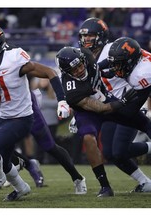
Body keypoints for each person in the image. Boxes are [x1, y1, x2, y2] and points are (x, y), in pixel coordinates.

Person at [0, 18, 87, 193]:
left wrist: (62, 100)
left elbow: (49, 72)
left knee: (48, 146)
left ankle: (77, 177)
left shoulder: (13, 58)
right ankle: (21, 186)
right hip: (2, 112)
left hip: (25, 110)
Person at [56, 46, 143, 197]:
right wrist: (123, 100)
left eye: (80, 65)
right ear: (66, 72)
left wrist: (106, 71)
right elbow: (102, 109)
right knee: (88, 138)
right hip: (89, 112)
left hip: (106, 98)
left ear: (83, 60)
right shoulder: (71, 90)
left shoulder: (87, 56)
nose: (79, 70)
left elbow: (99, 65)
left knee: (142, 121)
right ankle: (105, 186)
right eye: (74, 69)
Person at [78, 17, 151, 192]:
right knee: (110, 154)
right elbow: (101, 69)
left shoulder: (115, 48)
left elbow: (135, 58)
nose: (87, 40)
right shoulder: (88, 54)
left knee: (120, 151)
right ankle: (146, 183)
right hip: (112, 104)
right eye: (84, 36)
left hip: (130, 102)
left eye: (91, 36)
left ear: (101, 36)